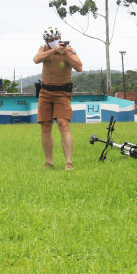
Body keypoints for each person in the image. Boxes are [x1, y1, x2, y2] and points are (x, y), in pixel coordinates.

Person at [33, 26, 82, 170]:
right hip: (45, 92)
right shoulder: (43, 49)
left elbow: (79, 67)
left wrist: (65, 53)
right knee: (45, 126)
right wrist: (53, 50)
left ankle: (69, 162)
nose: (54, 41)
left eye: (56, 38)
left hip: (62, 93)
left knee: (63, 124)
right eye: (51, 39)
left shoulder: (69, 49)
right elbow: (36, 59)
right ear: (46, 40)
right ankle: (48, 162)